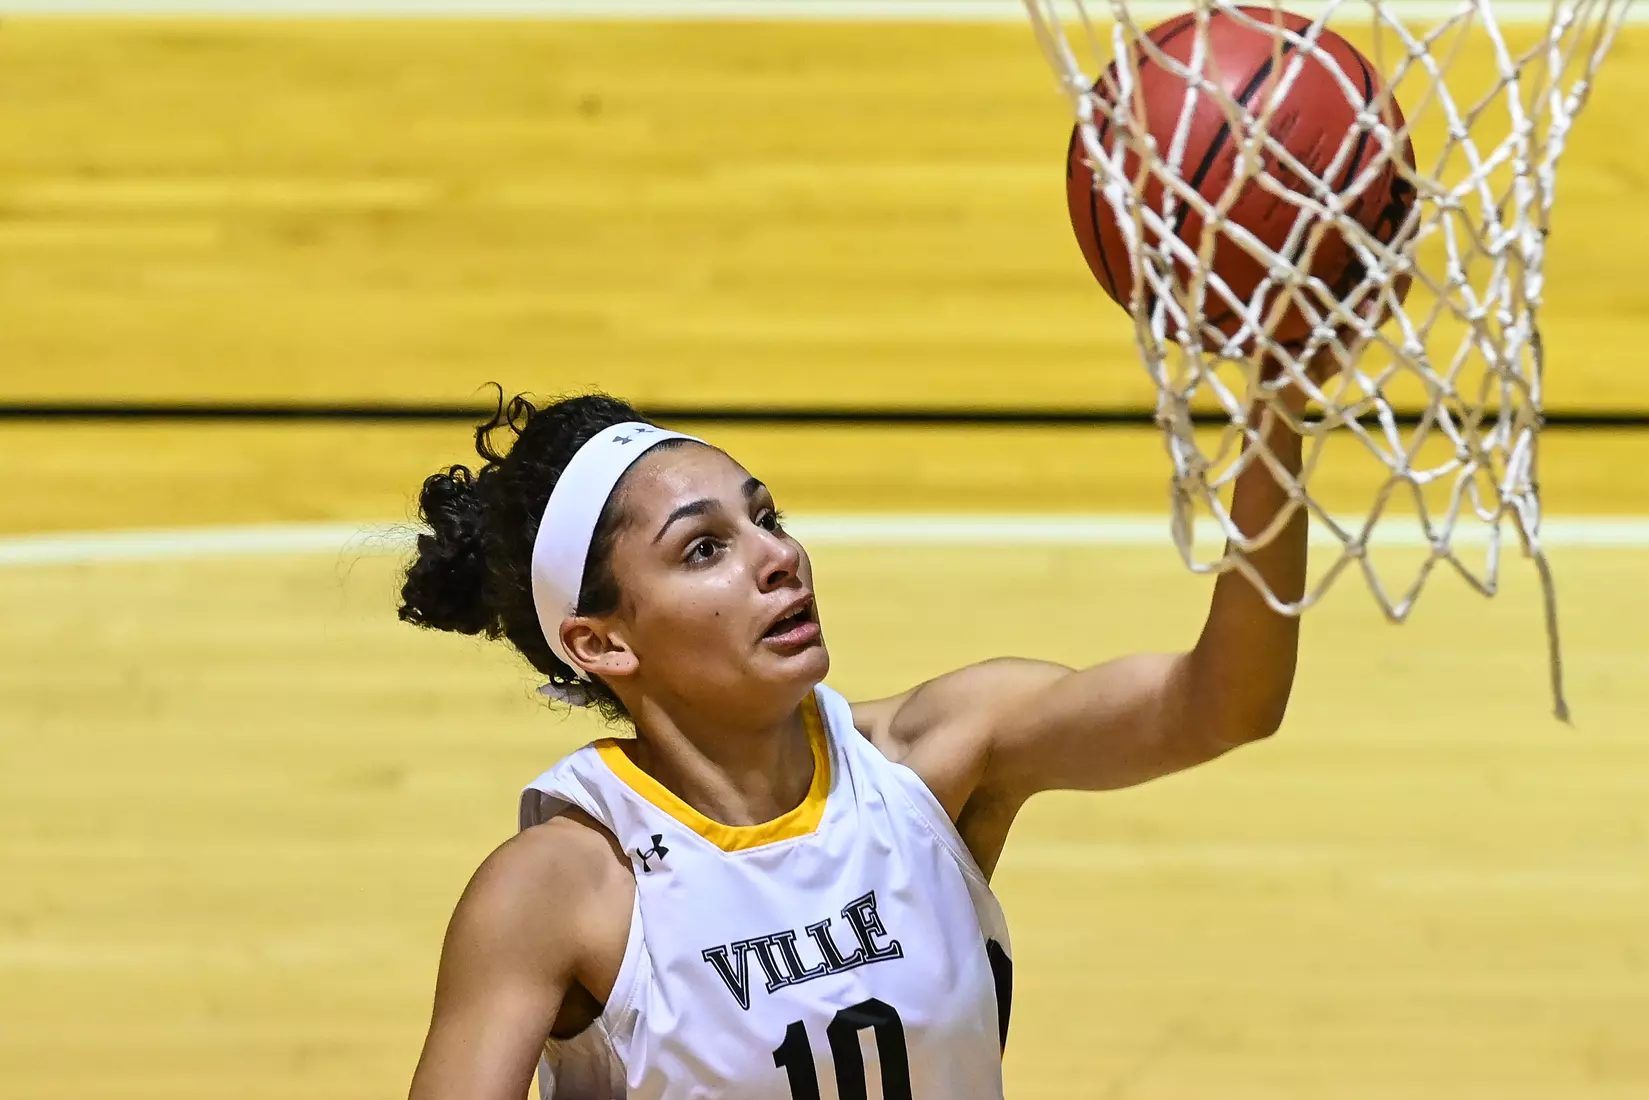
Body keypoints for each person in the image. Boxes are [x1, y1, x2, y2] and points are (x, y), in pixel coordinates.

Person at [398, 382, 1312, 1100]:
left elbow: (1223, 705)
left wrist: (1277, 407)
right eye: (703, 549)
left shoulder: (936, 757)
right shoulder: (561, 889)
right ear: (602, 642)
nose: (775, 556)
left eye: (766, 517)